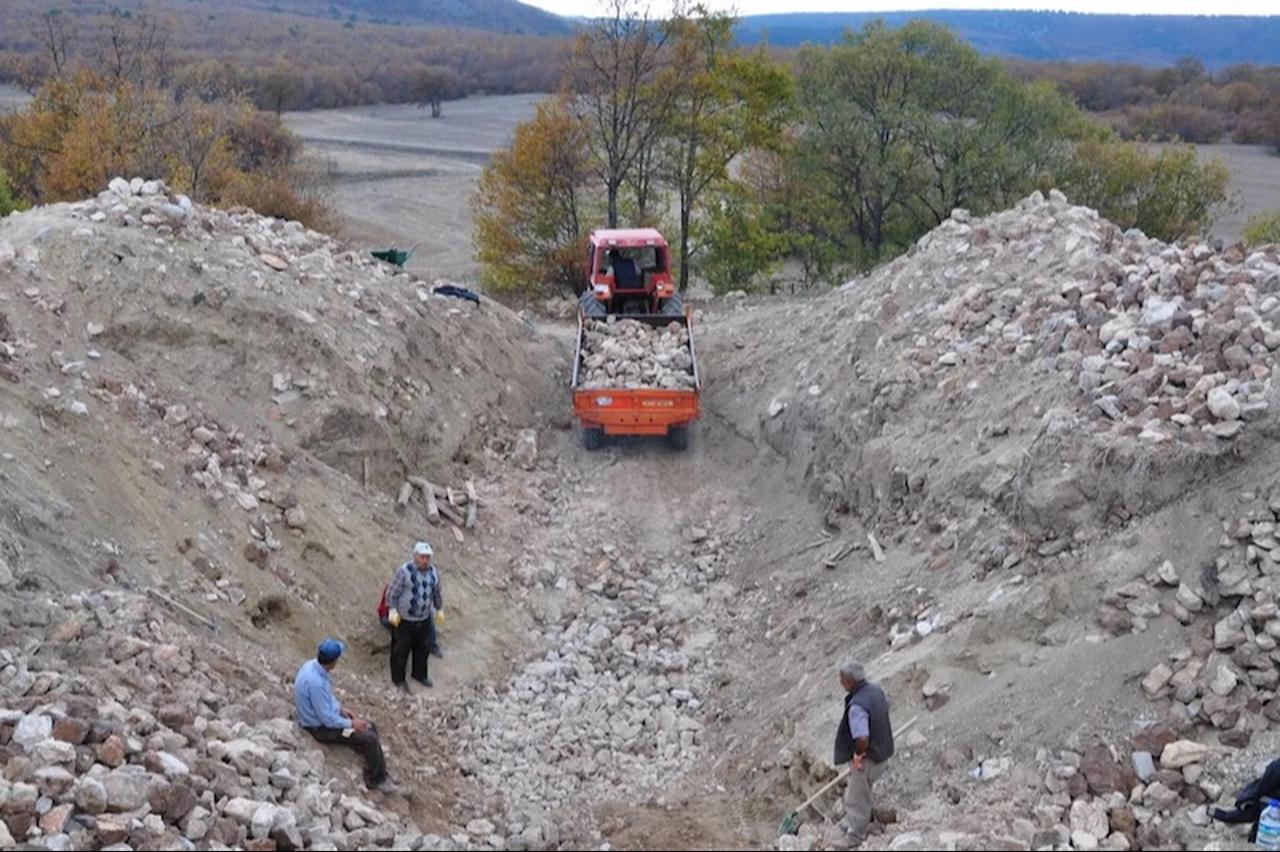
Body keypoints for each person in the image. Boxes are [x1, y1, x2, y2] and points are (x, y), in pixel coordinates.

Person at [293, 638, 397, 792]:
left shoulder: (312, 667)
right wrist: (351, 724)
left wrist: (341, 709)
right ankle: (376, 780)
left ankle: (381, 770)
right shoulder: (315, 683)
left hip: (321, 718)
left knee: (370, 727)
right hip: (319, 728)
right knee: (370, 738)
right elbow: (326, 719)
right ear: (333, 661)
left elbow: (326, 699)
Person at [833, 659, 894, 849]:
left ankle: (855, 836)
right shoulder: (876, 691)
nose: (840, 682)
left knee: (856, 797)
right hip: (883, 752)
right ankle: (855, 821)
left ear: (850, 681)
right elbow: (885, 706)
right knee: (863, 792)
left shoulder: (857, 706)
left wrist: (858, 756)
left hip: (869, 759)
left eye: (842, 679)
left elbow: (862, 737)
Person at [387, 541, 443, 690]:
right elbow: (392, 592)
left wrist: (439, 608)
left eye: (427, 557)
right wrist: (392, 609)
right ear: (415, 556)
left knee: (422, 649)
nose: (425, 560)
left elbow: (436, 592)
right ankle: (398, 680)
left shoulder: (433, 573)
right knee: (400, 651)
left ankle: (419, 674)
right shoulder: (404, 572)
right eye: (422, 557)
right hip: (404, 621)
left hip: (423, 619)